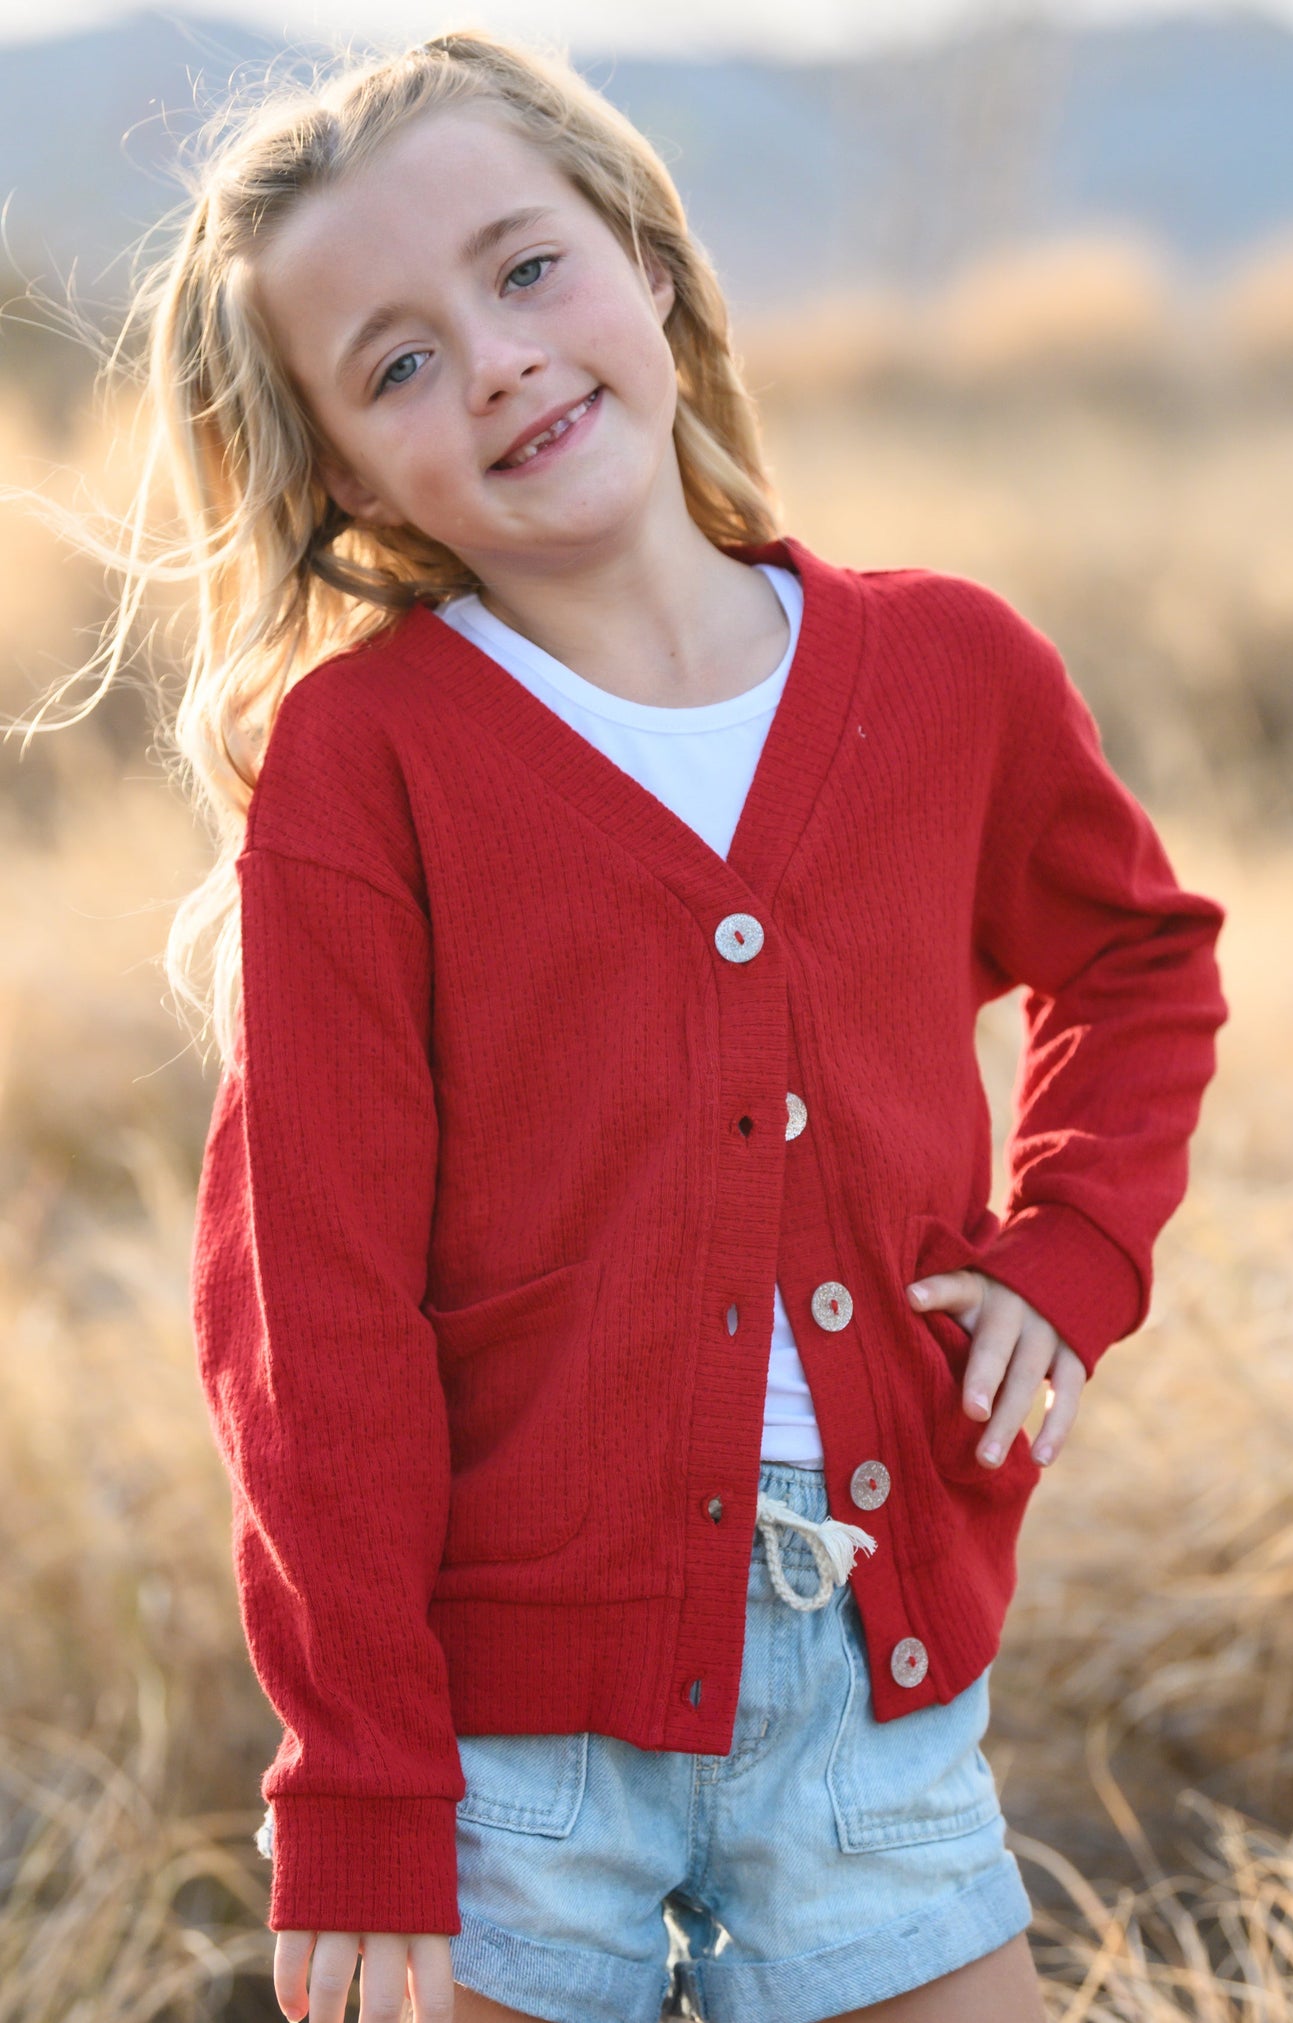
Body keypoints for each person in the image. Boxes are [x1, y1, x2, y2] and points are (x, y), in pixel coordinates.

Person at [53, 27, 1228, 2023]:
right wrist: (359, 1767)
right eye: (398, 360)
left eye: (525, 272)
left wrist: (1077, 1240)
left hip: (876, 1677)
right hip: (505, 1755)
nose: (494, 357)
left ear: (650, 265)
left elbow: (1139, 962)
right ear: (342, 469)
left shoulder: (948, 670)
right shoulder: (371, 763)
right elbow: (309, 1306)